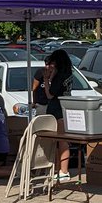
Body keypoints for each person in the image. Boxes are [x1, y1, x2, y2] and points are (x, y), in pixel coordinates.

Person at [42, 49, 73, 179]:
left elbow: (50, 95)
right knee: (62, 140)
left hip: (56, 109)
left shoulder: (59, 76)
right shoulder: (69, 73)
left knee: (59, 140)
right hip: (66, 107)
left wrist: (46, 80)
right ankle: (61, 170)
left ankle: (62, 170)